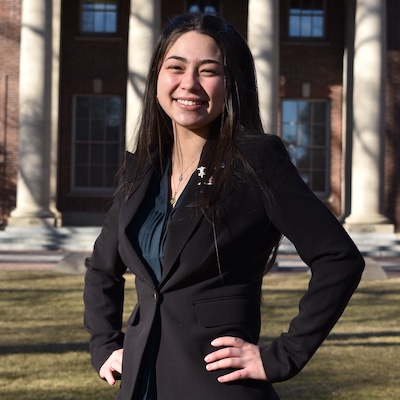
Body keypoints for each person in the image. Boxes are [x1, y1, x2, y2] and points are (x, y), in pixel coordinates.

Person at [83, 13, 364, 400]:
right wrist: (104, 345)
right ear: (157, 77)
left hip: (218, 386)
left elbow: (339, 259)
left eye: (209, 71)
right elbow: (102, 268)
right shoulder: (143, 170)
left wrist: (282, 356)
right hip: (141, 382)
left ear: (232, 83)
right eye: (176, 67)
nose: (189, 84)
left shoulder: (258, 161)